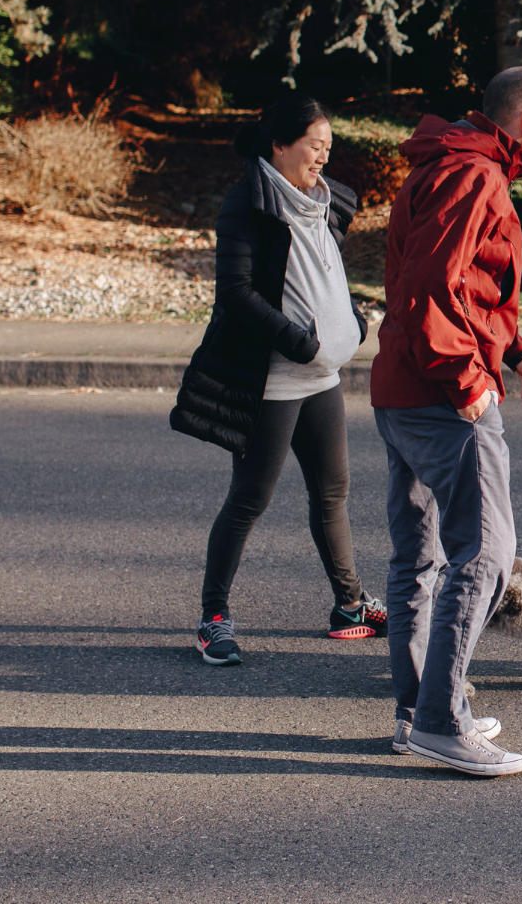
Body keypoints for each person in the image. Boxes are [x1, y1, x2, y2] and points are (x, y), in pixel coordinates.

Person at [369, 66, 522, 776]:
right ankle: (442, 722)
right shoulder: (475, 176)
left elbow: (455, 281)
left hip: (401, 390)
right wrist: (468, 381)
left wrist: (515, 348)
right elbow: (426, 290)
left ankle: (416, 711)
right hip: (441, 393)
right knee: (484, 554)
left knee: (418, 559)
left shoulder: (445, 164)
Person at [169, 93, 385, 667]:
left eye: (328, 148)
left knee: (332, 493)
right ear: (279, 144)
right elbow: (235, 295)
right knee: (249, 499)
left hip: (323, 378)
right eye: (315, 146)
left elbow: (326, 272)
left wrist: (352, 321)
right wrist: (301, 342)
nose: (323, 157)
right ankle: (212, 617)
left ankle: (350, 607)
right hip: (274, 380)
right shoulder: (248, 203)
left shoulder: (324, 201)